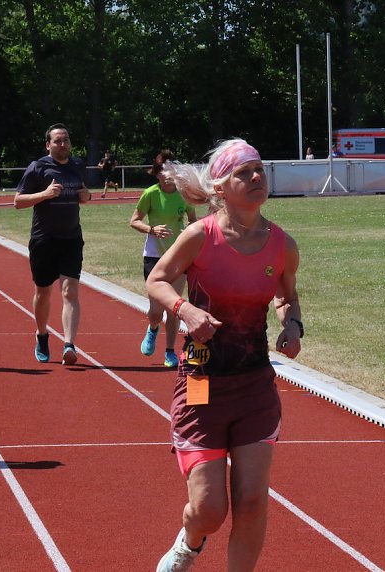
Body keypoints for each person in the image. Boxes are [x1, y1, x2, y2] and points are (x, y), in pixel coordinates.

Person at [146, 139, 302, 571]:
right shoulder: (201, 236)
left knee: (252, 501)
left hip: (254, 384)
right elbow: (157, 280)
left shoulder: (282, 244)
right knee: (211, 509)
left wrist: (292, 324)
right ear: (221, 187)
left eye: (259, 170)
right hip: (200, 381)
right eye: (244, 173)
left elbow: (287, 297)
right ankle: (189, 542)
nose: (256, 178)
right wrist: (186, 309)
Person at [14, 123, 91, 365]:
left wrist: (86, 195)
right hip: (44, 239)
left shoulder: (77, 165)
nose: (63, 144)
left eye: (66, 140)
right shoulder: (38, 167)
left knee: (70, 292)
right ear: (48, 145)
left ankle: (69, 344)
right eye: (57, 141)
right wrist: (44, 195)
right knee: (43, 292)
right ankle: (42, 334)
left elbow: (84, 194)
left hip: (71, 238)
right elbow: (18, 201)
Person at [129, 149, 196, 368]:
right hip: (154, 257)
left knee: (174, 306)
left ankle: (170, 351)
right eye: (164, 170)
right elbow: (134, 221)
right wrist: (152, 229)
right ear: (157, 173)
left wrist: (191, 236)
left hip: (178, 257)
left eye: (172, 169)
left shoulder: (184, 194)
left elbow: (194, 221)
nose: (168, 174)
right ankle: (153, 327)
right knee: (156, 311)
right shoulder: (150, 193)